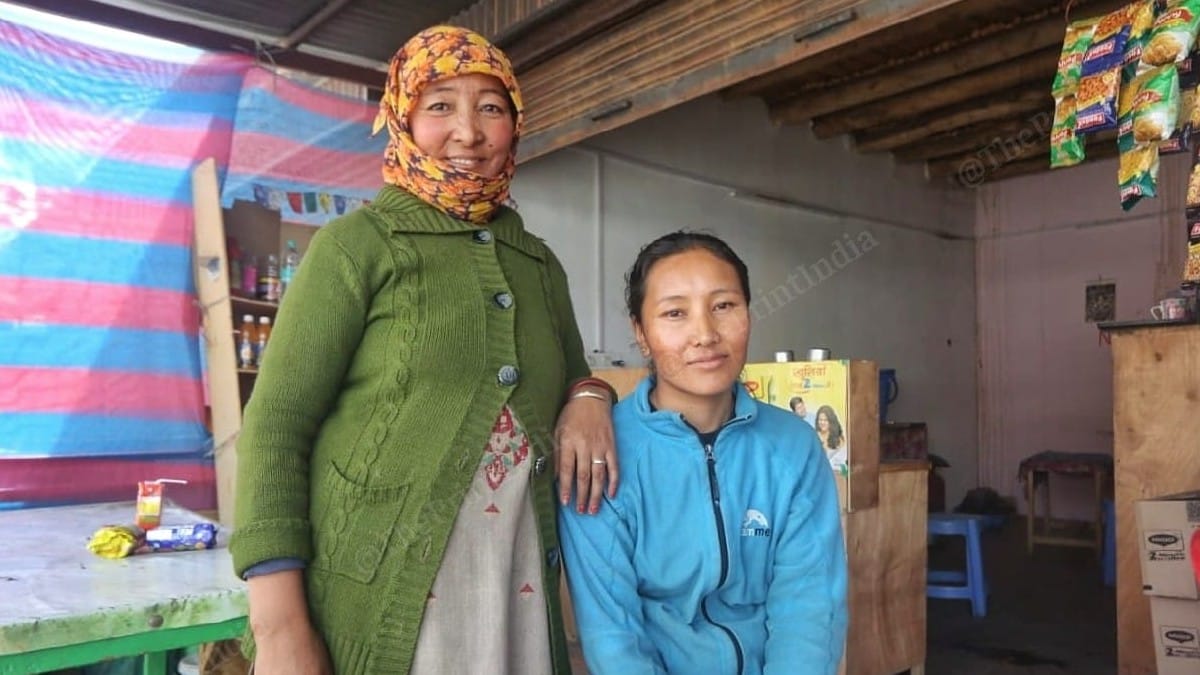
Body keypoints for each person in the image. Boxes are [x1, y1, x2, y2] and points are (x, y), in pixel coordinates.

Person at [230, 25, 619, 675]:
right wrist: (278, 627)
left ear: (515, 125)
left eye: (491, 107)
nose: (467, 131)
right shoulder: (356, 247)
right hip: (374, 602)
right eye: (440, 105)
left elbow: (575, 377)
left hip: (516, 591)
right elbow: (277, 425)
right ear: (402, 117)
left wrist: (591, 395)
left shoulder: (538, 263)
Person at [558, 231, 848, 675]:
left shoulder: (792, 446)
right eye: (675, 313)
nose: (705, 334)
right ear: (641, 332)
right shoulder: (602, 453)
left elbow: (808, 605)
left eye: (724, 306)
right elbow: (613, 634)